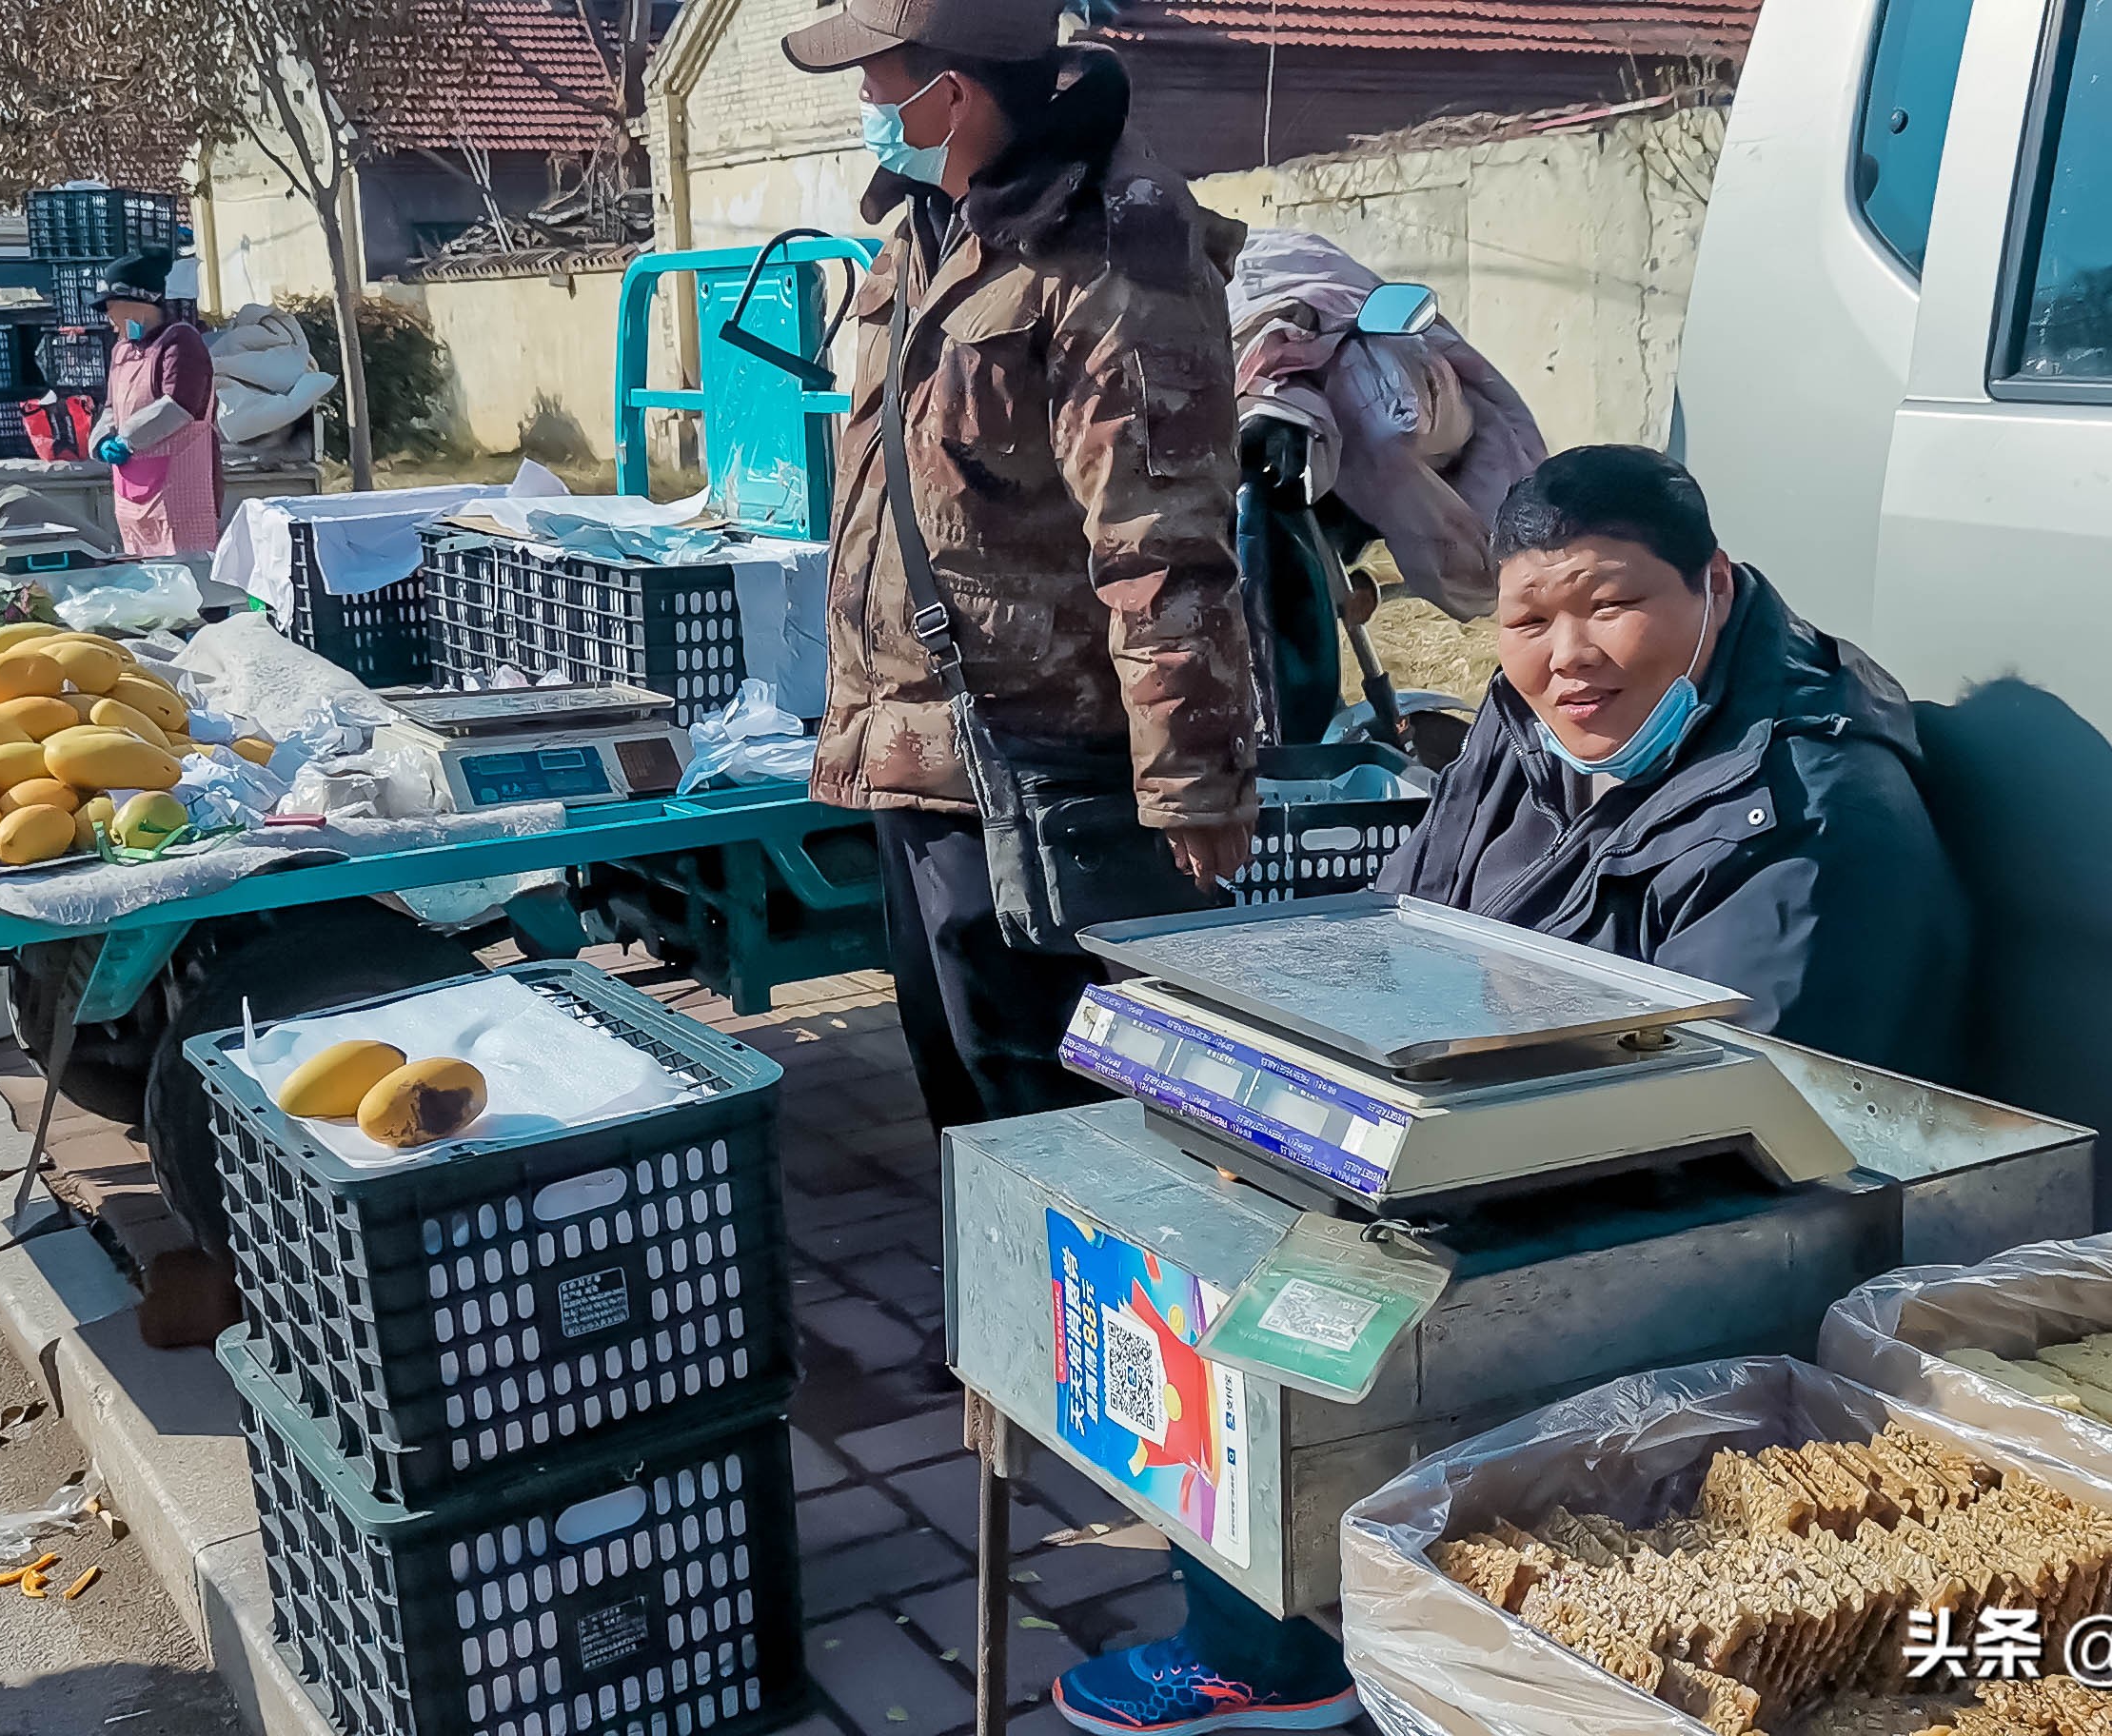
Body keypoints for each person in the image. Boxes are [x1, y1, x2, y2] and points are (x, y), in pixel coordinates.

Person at [780, 0, 1262, 1135]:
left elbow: (1162, 540)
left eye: (876, 81)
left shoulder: (1110, 250)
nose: (862, 108)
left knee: (1053, 1102)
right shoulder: (926, 223)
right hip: (908, 744)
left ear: (950, 95)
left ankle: (1081, 1310)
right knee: (957, 1078)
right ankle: (1001, 1298)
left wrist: (1190, 781)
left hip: (1036, 756)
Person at [1378, 444, 1969, 1080]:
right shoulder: (1530, 717)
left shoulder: (1805, 823)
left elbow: (1718, 1108)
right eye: (1531, 619)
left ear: (1714, 581)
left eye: (1609, 607)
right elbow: (1400, 926)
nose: (1568, 655)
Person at [86, 251, 219, 557]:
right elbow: (111, 407)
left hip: (180, 495)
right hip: (129, 493)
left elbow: (180, 407)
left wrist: (127, 439)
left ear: (138, 304)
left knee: (190, 582)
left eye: (112, 309)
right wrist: (102, 440)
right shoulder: (121, 350)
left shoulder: (180, 342)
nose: (109, 320)